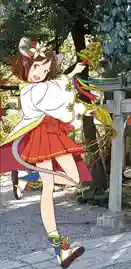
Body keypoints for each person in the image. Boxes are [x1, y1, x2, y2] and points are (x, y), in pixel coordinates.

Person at [0, 37, 92, 268]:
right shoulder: (30, 91)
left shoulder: (46, 85)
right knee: (49, 188)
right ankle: (60, 249)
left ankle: (27, 176)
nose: (40, 72)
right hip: (40, 135)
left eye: (44, 68)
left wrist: (72, 73)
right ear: (25, 66)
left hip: (54, 134)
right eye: (35, 67)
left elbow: (57, 85)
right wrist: (78, 104)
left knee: (74, 179)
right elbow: (55, 96)